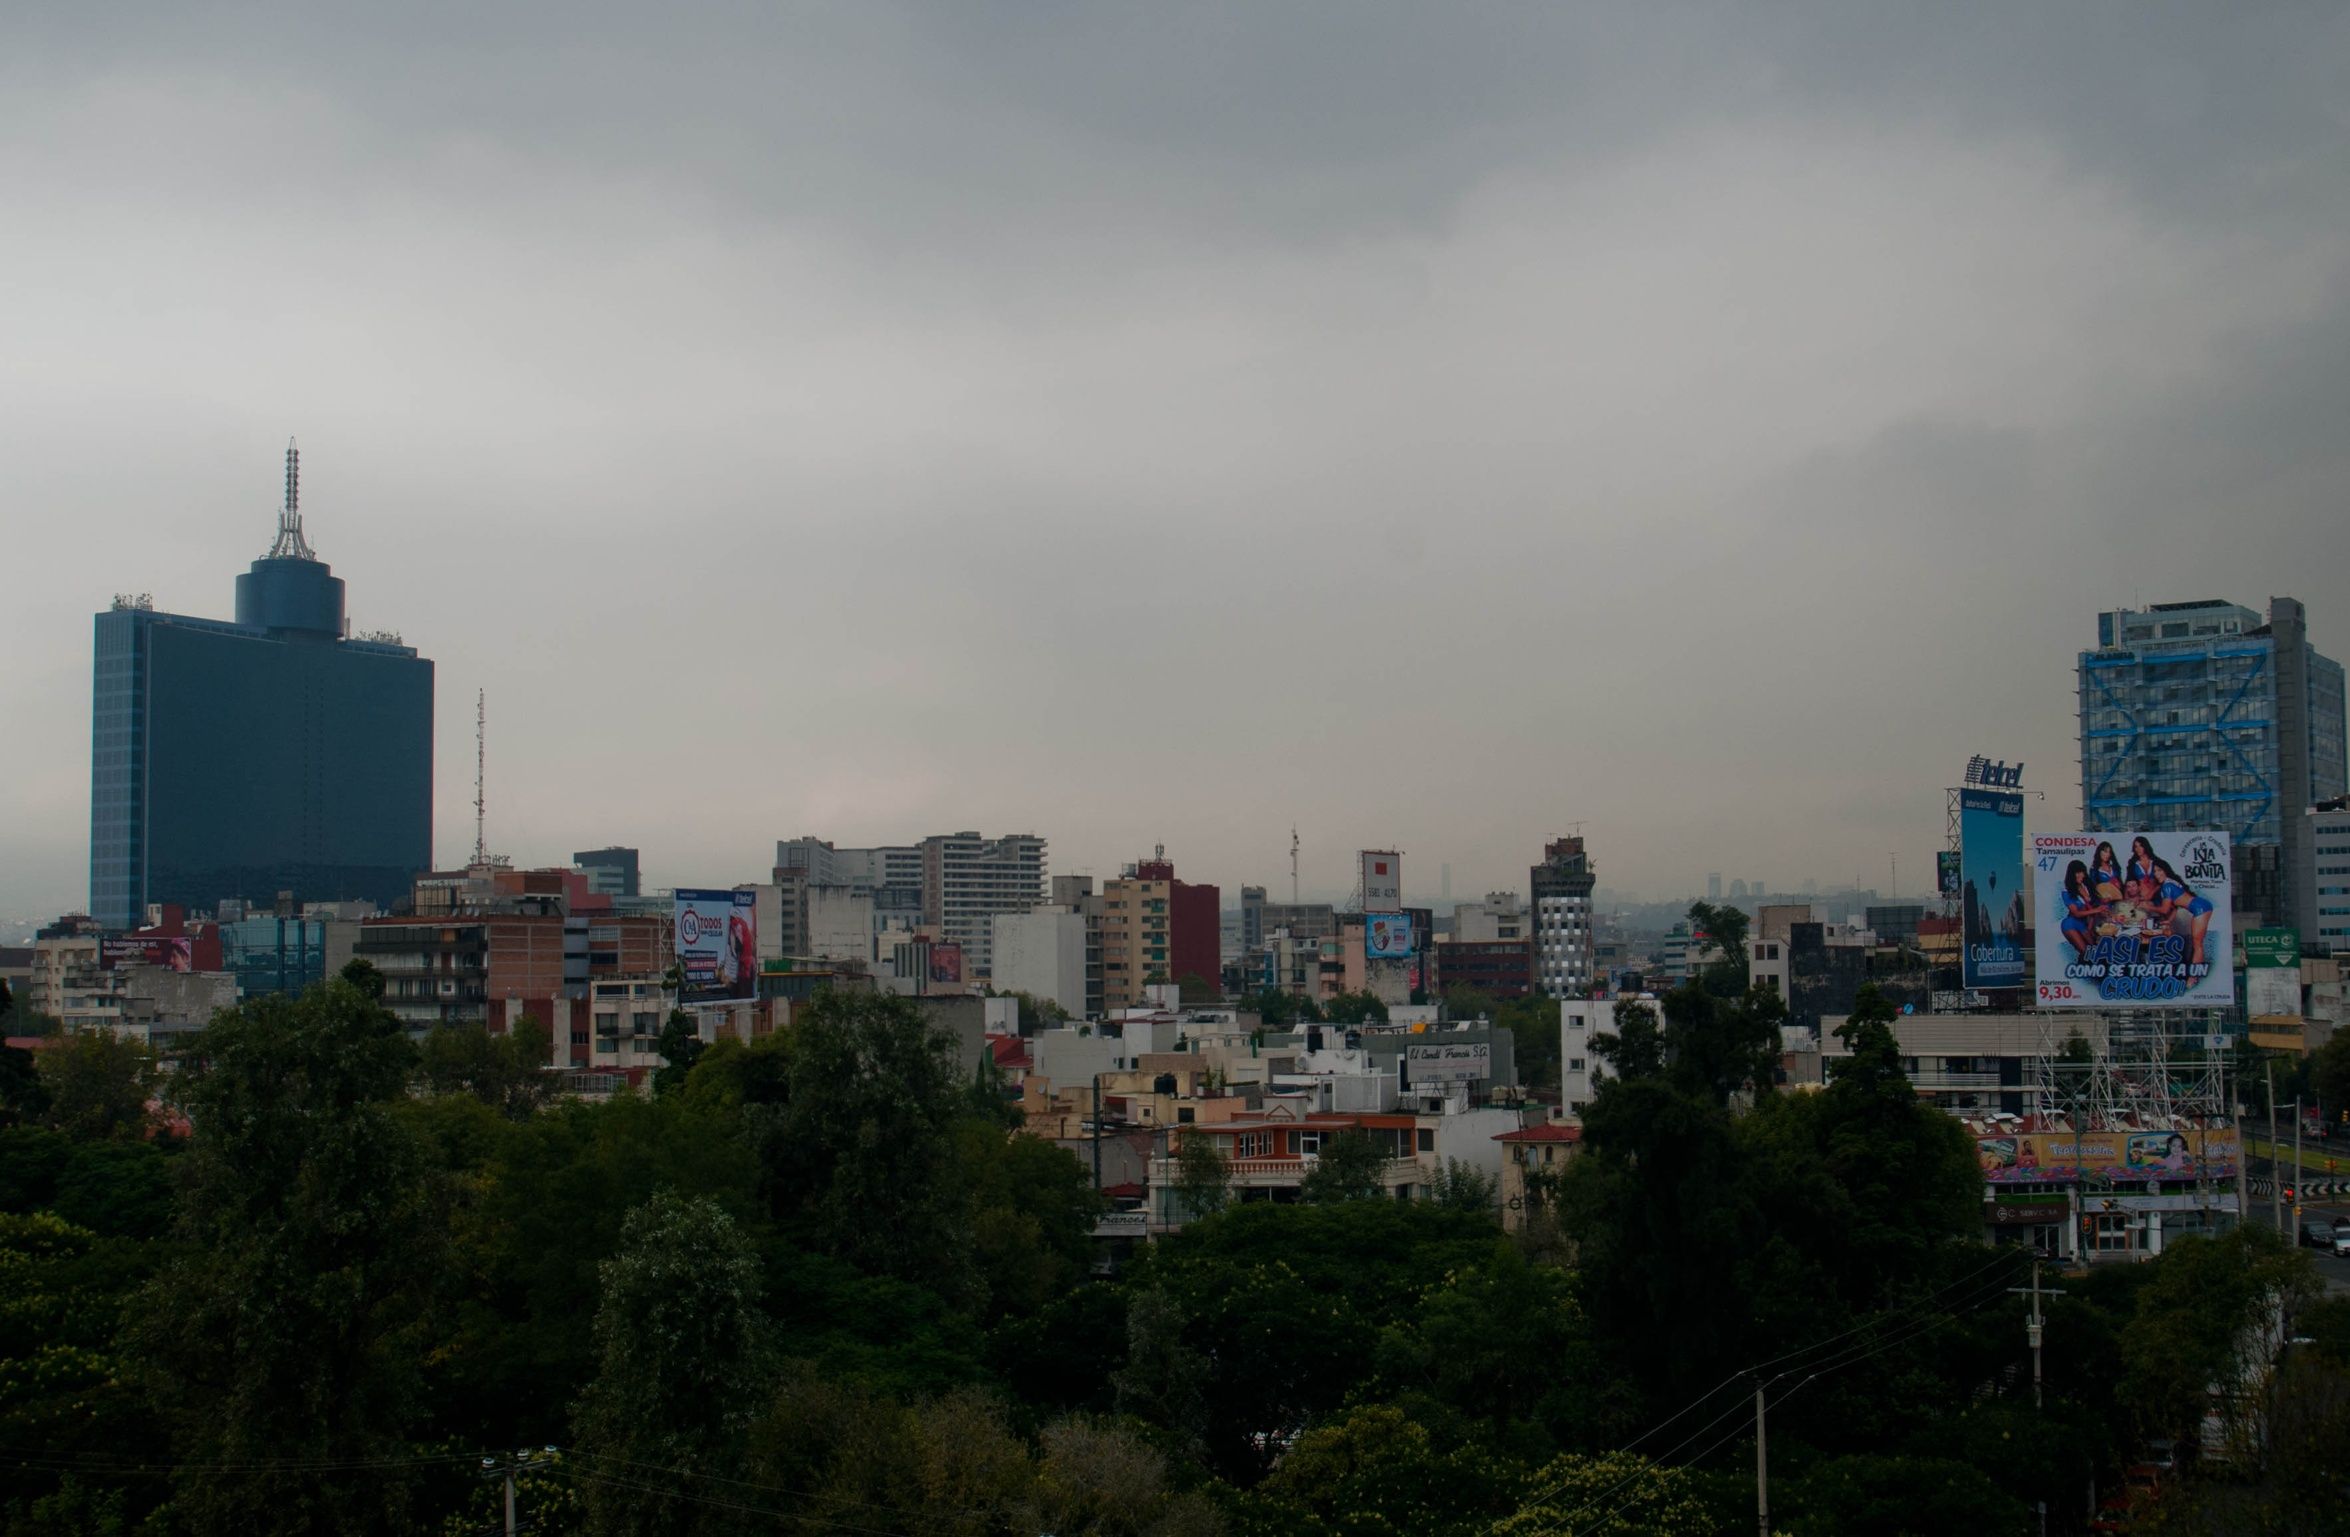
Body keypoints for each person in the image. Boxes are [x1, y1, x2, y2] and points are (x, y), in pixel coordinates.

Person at [2141, 857, 2215, 966]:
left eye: (2159, 870)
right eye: (2155, 871)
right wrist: (2169, 921)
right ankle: (2195, 972)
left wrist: (2148, 907)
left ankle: (2193, 977)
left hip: (2200, 908)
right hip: (2200, 906)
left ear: (2166, 870)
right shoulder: (2170, 882)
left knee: (2197, 944)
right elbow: (2175, 907)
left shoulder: (2167, 886)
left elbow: (2165, 909)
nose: (2157, 874)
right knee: (2197, 944)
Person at [2058, 860, 2107, 959]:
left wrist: (2090, 925)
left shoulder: (2087, 886)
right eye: (2078, 873)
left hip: (2085, 924)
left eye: (2082, 872)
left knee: (2094, 951)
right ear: (2072, 874)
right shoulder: (2066, 891)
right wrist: (2097, 910)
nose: (2082, 875)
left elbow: (2093, 907)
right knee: (2086, 953)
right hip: (2070, 924)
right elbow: (2076, 913)